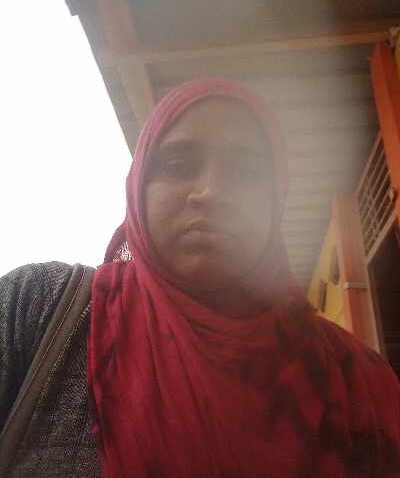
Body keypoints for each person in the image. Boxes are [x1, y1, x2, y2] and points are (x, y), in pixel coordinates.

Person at [0, 77, 399, 477]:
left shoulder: (356, 382)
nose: (210, 192)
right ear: (138, 187)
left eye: (245, 172)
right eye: (177, 166)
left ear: (275, 201)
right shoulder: (38, 308)